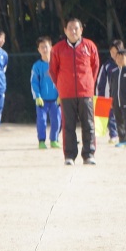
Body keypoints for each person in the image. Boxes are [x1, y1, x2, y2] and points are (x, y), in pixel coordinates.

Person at [48, 18, 100, 166]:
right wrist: (61, 85)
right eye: (70, 28)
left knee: (88, 124)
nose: (73, 31)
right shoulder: (57, 49)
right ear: (65, 30)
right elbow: (53, 70)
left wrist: (89, 83)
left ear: (81, 30)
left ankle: (89, 154)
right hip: (66, 93)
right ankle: (69, 155)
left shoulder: (89, 46)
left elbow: (95, 66)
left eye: (76, 28)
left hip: (86, 92)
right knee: (68, 125)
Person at [30, 37, 61, 149]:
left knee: (57, 120)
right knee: (41, 120)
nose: (44, 49)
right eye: (41, 47)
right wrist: (37, 96)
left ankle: (54, 140)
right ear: (38, 49)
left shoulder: (58, 64)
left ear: (51, 48)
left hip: (56, 99)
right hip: (42, 100)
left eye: (46, 47)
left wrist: (61, 95)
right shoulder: (37, 66)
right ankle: (41, 141)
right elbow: (34, 82)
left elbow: (62, 80)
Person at [94, 39, 124, 143]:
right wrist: (100, 96)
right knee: (111, 116)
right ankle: (113, 135)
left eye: (115, 52)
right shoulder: (106, 66)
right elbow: (100, 83)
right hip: (109, 97)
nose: (113, 54)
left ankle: (125, 135)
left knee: (123, 116)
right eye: (111, 52)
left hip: (124, 97)